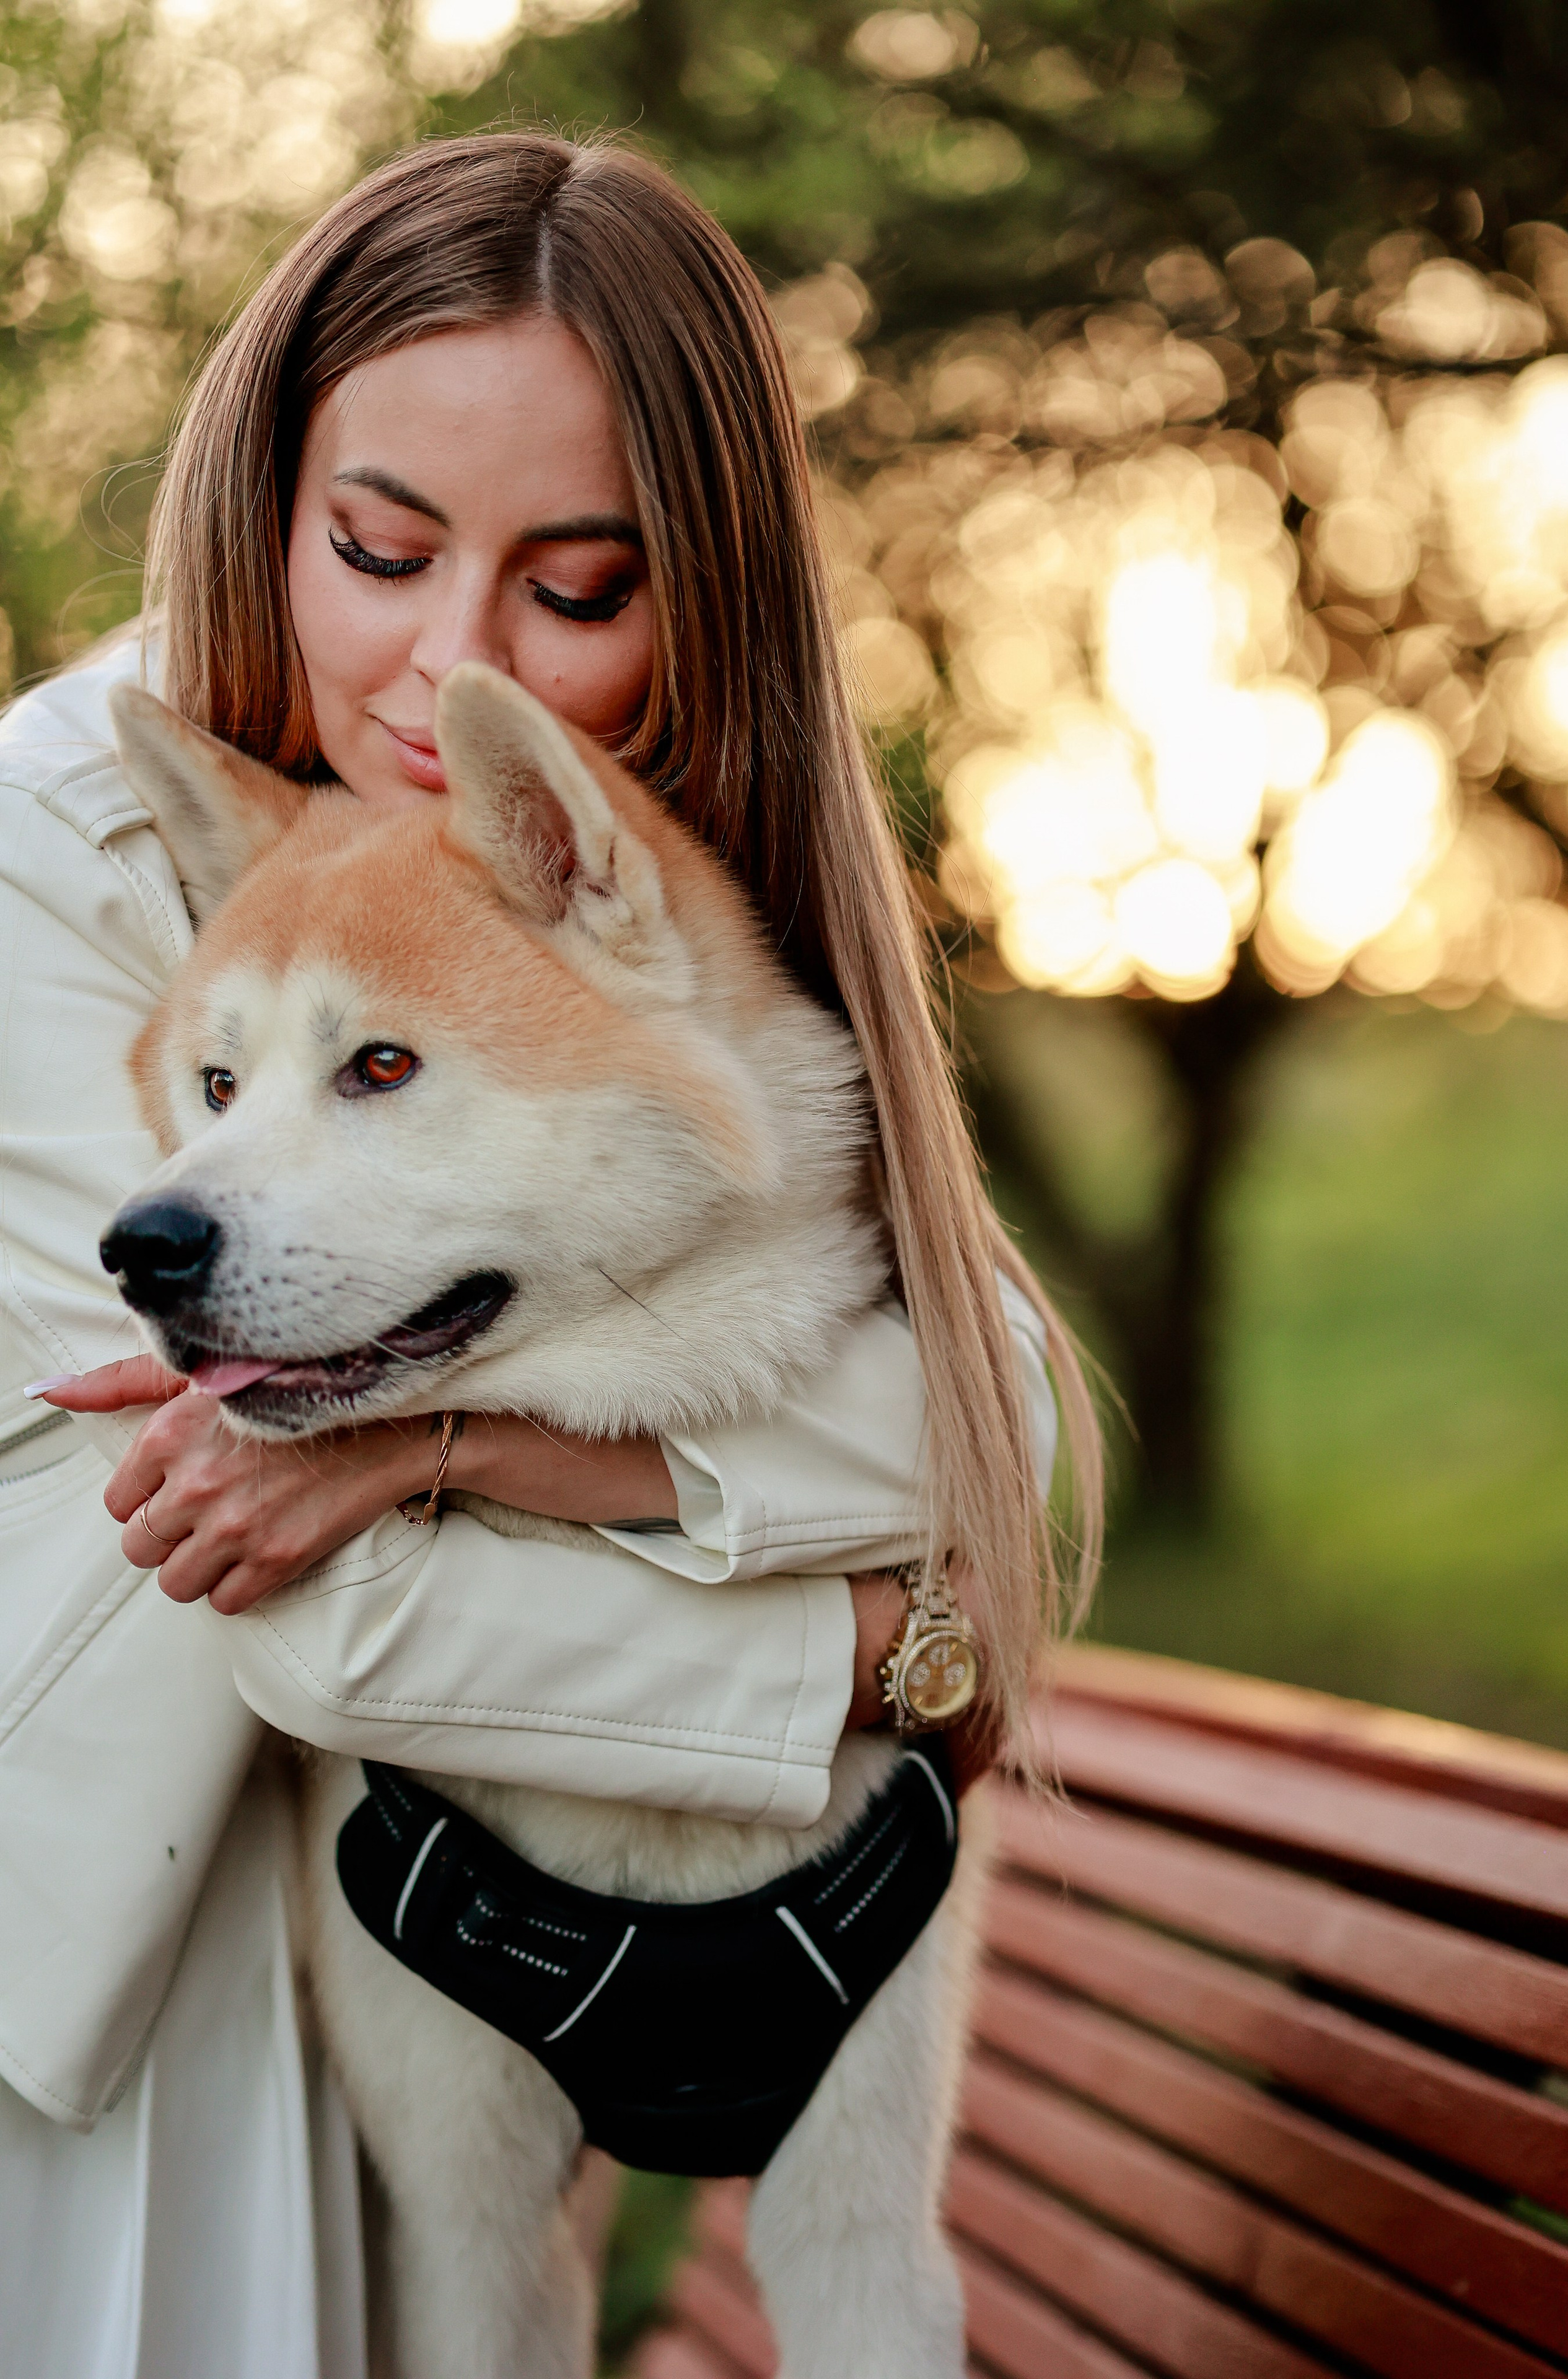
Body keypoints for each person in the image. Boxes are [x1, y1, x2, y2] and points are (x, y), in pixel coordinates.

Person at [0, 131, 1100, 2376]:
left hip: (406, 1907)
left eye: (575, 590)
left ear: (695, 604)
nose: (445, 666)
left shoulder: (629, 860)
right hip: (126, 2016)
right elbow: (307, 1612)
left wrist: (499, 1459)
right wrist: (891, 1651)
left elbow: (1002, 1399)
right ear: (268, 495)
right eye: (380, 550)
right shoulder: (67, 855)